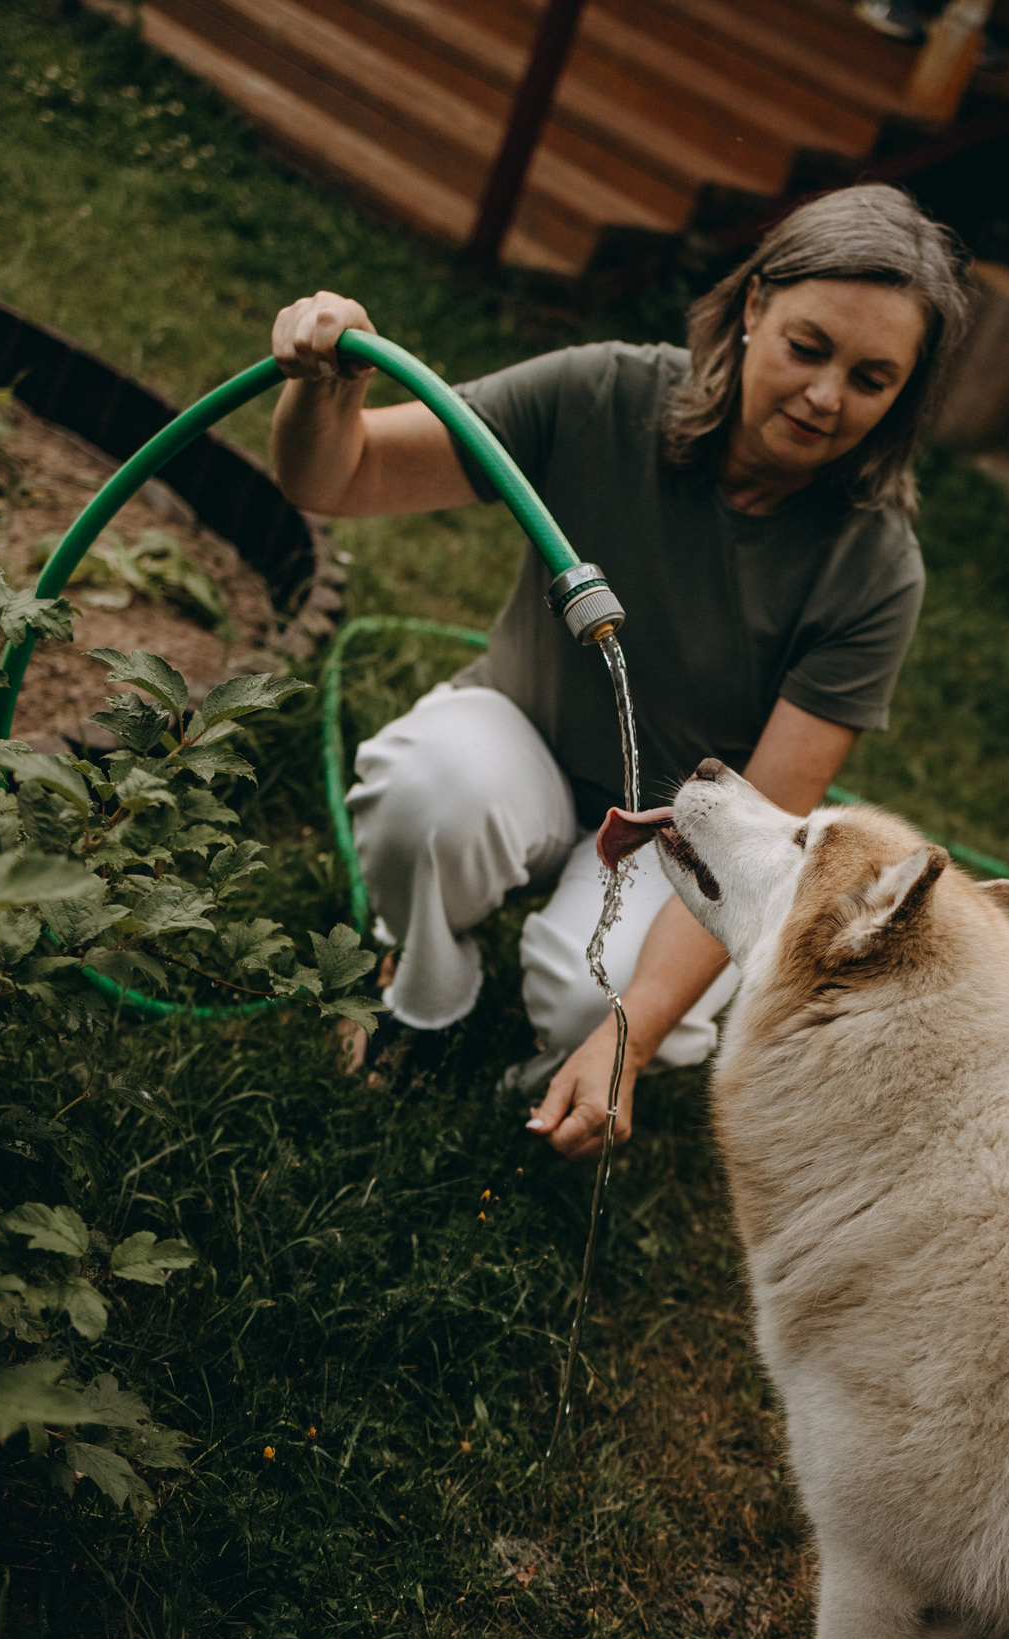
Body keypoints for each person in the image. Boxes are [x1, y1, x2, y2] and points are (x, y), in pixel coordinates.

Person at [268, 185, 968, 1160]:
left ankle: (530, 1091)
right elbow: (336, 478)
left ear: (904, 393)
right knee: (429, 793)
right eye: (809, 348)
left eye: (871, 377)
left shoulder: (873, 569)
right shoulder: (605, 394)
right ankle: (419, 1001)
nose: (824, 396)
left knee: (583, 990)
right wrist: (325, 384)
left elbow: (758, 831)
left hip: (686, 834)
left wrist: (624, 1038)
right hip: (527, 739)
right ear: (755, 305)